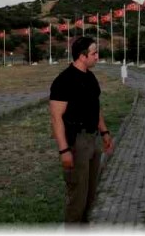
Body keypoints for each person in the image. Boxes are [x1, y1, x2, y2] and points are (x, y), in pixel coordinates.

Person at [49, 36, 115, 224]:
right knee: (77, 197)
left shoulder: (91, 77)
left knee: (90, 195)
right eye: (94, 53)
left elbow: (96, 107)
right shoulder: (64, 81)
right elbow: (56, 118)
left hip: (92, 140)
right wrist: (64, 150)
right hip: (76, 143)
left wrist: (105, 132)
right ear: (82, 56)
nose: (97, 56)